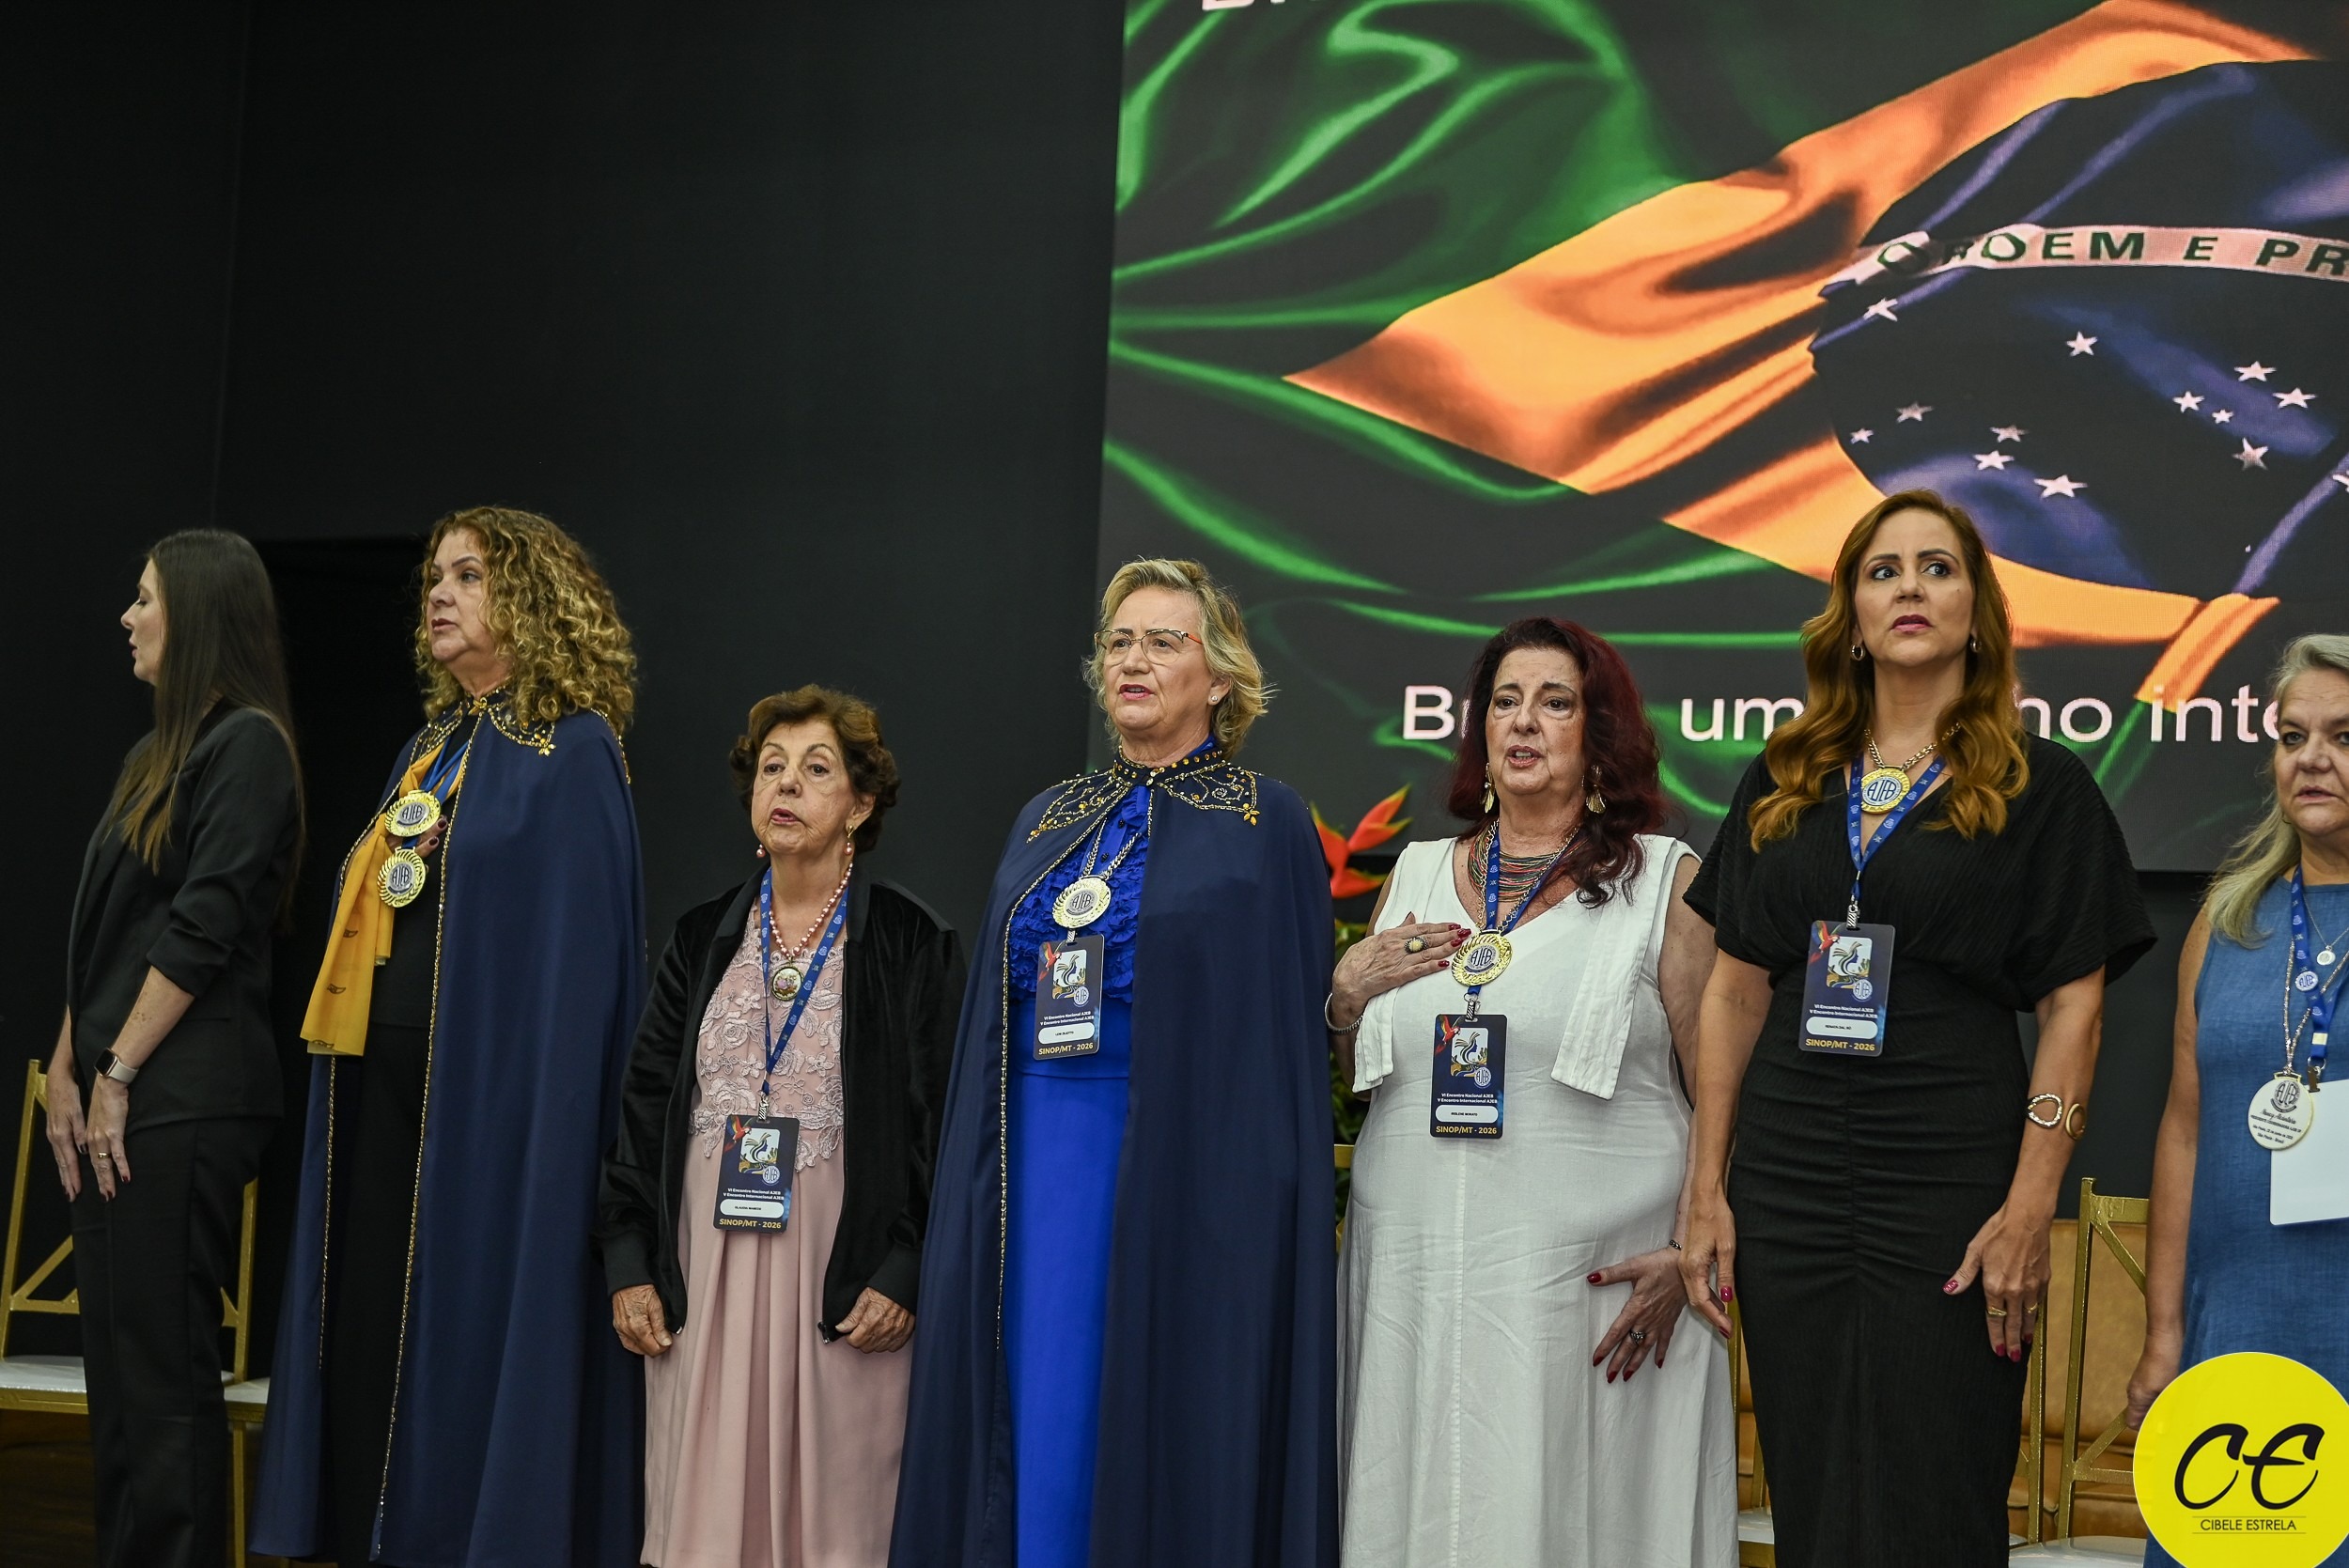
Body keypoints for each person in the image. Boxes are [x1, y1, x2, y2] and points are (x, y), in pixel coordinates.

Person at [1675, 489, 2154, 1566]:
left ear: (1976, 612)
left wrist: (2029, 1206)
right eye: (1882, 570)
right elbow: (1733, 989)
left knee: (1938, 1484)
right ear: (1849, 614)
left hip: (1950, 1183)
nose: (1909, 588)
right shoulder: (1784, 775)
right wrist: (1706, 1187)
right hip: (1789, 1182)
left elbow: (2074, 1006)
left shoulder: (2040, 785)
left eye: (1937, 568)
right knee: (1809, 1484)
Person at [891, 558, 1337, 1568]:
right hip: (1031, 1154)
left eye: (1163, 641)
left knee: (1148, 1395)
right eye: (1119, 642)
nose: (1133, 660)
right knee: (1039, 1394)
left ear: (1219, 677)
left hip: (1182, 1162)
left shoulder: (1263, 818)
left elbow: (1277, 1036)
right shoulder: (1048, 814)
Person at [252, 507, 646, 1567]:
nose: (438, 592)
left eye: (468, 574)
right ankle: (363, 1532)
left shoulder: (573, 747)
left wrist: (555, 1127)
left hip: (487, 1104)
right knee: (369, 1322)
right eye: (435, 575)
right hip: (374, 1083)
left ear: (533, 598)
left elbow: (584, 969)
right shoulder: (426, 749)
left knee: (459, 1331)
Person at [1329, 617, 1735, 1566]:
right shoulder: (1416, 872)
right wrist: (1343, 999)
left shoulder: (1662, 882)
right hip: (1413, 1288)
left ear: (1600, 733)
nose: (1523, 721)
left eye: (1555, 702)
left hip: (1590, 1301)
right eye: (1505, 701)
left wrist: (1692, 1252)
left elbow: (1724, 1091)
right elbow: (1364, 1076)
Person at [598, 687, 965, 1568]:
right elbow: (644, 1103)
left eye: (815, 768)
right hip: (706, 1275)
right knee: (707, 1516)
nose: (786, 785)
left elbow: (942, 1126)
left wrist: (906, 1268)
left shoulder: (911, 938)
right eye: (771, 768)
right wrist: (629, 1258)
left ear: (861, 804)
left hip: (843, 1280)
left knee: (835, 1526)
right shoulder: (701, 936)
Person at [45, 530, 303, 1568]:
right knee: (117, 1378)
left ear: (194, 614)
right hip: (124, 1089)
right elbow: (108, 933)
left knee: (161, 1379)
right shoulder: (151, 755)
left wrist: (116, 1071)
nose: (128, 616)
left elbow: (202, 926)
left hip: (186, 1091)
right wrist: (68, 1067)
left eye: (146, 598)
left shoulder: (248, 746)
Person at [2126, 635, 2349, 1566]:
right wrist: (2164, 1332)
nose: (2312, 758)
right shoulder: (2227, 922)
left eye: (2343, 736)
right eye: (2293, 736)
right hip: (2234, 1332)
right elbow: (2182, 1132)